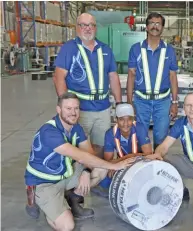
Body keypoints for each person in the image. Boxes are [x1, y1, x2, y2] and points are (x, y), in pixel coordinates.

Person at [24, 93, 134, 231]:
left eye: (76, 108)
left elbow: (89, 154)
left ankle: (72, 200)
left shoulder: (76, 128)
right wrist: (114, 165)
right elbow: (81, 157)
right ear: (59, 110)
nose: (73, 113)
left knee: (100, 169)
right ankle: (46, 205)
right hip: (44, 183)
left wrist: (86, 172)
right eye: (68, 109)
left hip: (63, 176)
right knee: (67, 226)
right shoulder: (49, 132)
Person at [53, 13, 122, 158]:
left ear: (95, 28)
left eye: (91, 25)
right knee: (78, 148)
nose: (88, 28)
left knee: (102, 147)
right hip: (80, 109)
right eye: (83, 25)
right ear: (77, 28)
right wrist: (66, 107)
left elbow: (113, 77)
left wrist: (119, 103)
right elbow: (59, 77)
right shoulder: (69, 49)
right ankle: (82, 178)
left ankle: (98, 176)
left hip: (102, 109)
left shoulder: (105, 49)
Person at [127, 12, 179, 150]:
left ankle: (157, 165)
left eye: (158, 24)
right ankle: (141, 165)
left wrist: (174, 102)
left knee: (161, 138)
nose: (155, 26)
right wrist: (129, 102)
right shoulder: (135, 49)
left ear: (162, 28)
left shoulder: (169, 50)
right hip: (141, 101)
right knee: (140, 136)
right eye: (151, 23)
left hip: (163, 101)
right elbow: (131, 75)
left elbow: (173, 77)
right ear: (146, 27)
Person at [91, 103, 161, 198]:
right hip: (122, 166)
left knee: (152, 174)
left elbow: (148, 157)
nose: (125, 124)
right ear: (116, 120)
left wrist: (126, 159)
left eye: (129, 119)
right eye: (121, 119)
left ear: (133, 119)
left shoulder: (140, 128)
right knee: (103, 175)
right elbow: (109, 162)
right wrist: (117, 165)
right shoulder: (110, 133)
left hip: (140, 165)